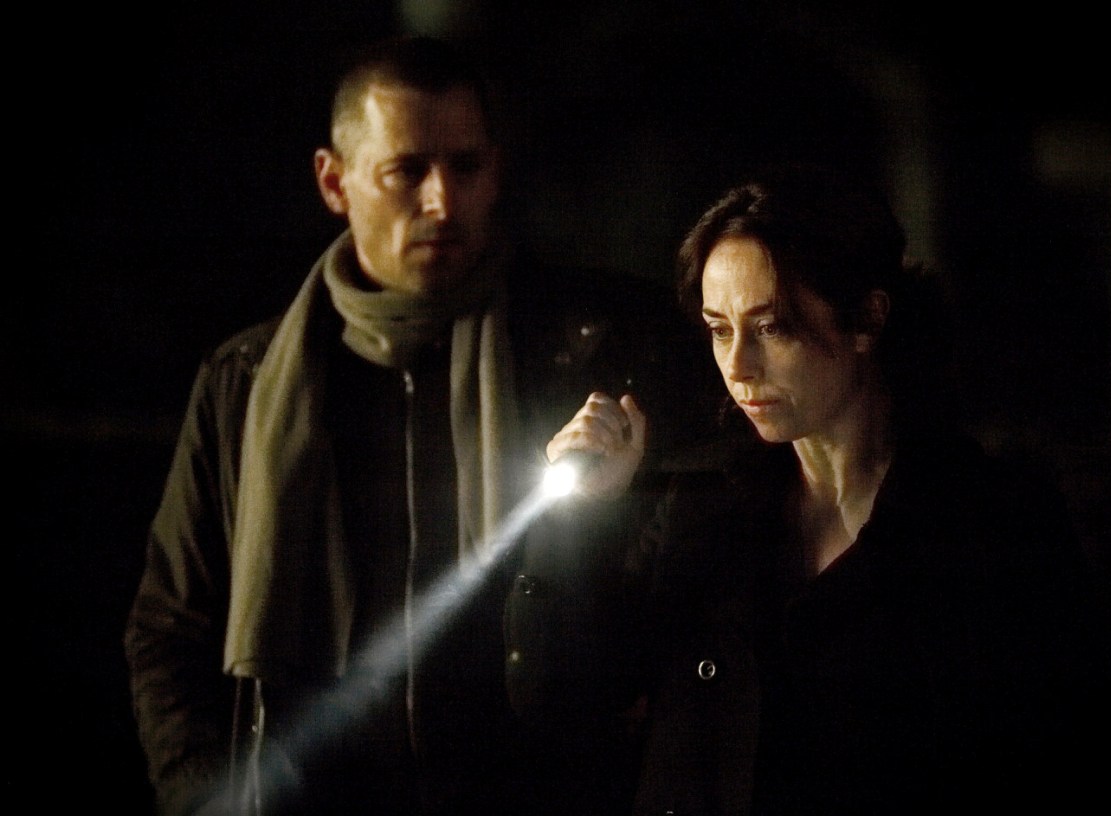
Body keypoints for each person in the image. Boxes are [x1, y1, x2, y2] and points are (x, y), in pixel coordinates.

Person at [124, 34, 715, 816]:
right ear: (334, 182)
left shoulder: (589, 352)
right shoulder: (248, 379)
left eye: (465, 167)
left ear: (496, 170)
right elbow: (171, 628)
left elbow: (676, 608)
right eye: (406, 171)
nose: (442, 201)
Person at [515, 162, 1111, 813]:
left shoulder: (990, 521)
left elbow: (1057, 751)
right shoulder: (701, 503)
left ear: (866, 319)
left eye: (772, 326)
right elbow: (562, 702)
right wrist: (582, 517)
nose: (738, 366)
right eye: (720, 329)